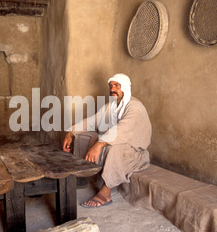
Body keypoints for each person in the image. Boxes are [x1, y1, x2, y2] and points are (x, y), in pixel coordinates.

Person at [62, 73, 152, 208]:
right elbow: (93, 121)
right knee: (83, 137)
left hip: (135, 152)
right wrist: (71, 132)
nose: (112, 89)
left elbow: (122, 129)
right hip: (113, 141)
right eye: (111, 86)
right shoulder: (111, 106)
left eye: (117, 86)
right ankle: (82, 172)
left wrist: (99, 144)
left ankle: (105, 193)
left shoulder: (135, 107)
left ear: (126, 88)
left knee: (114, 148)